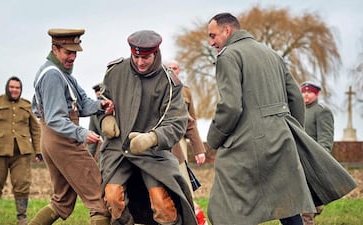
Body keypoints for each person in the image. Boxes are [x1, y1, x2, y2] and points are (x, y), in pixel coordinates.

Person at [206, 12, 357, 225]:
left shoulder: (228, 55)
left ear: (227, 30)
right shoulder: (271, 54)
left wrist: (214, 140)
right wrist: (290, 129)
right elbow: (295, 96)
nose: (211, 42)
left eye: (213, 36)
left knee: (224, 205)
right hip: (281, 138)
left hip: (247, 144)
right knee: (288, 200)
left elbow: (231, 106)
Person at [97, 30, 198, 225]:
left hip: (153, 153)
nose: (140, 62)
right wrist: (105, 119)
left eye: (146, 57)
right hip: (118, 151)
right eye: (136, 57)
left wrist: (152, 138)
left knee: (162, 201)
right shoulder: (115, 72)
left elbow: (176, 123)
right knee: (112, 197)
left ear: (156, 53)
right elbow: (103, 102)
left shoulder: (170, 83)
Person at [29, 28, 114, 225]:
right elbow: (55, 118)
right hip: (63, 140)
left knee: (62, 202)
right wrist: (81, 133)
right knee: (99, 198)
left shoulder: (63, 73)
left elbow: (82, 104)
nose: (73, 57)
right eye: (68, 52)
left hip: (55, 140)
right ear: (55, 49)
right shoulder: (52, 75)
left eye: (75, 52)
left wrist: (100, 105)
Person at [0, 76, 42, 225]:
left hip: (21, 153)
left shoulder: (27, 105)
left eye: (17, 88)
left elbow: (35, 129)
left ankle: (22, 218)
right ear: (7, 87)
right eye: (12, 87)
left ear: (20, 90)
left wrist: (39, 150)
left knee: (22, 185)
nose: (14, 90)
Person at [165, 60, 207, 225]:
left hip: (179, 143)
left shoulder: (186, 91)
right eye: (169, 68)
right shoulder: (157, 87)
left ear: (179, 70)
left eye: (175, 68)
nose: (172, 71)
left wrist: (199, 149)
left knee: (184, 185)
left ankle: (194, 219)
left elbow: (192, 122)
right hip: (157, 142)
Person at [300, 81, 334, 225]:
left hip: (312, 161)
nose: (306, 94)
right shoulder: (298, 110)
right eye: (304, 91)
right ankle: (316, 205)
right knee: (304, 197)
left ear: (317, 94)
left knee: (306, 201)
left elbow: (325, 140)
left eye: (310, 92)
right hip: (298, 160)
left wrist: (320, 162)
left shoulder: (322, 111)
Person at [88, 83, 103, 159]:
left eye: (100, 90)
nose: (98, 93)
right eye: (96, 91)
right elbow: (93, 140)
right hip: (107, 154)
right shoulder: (94, 114)